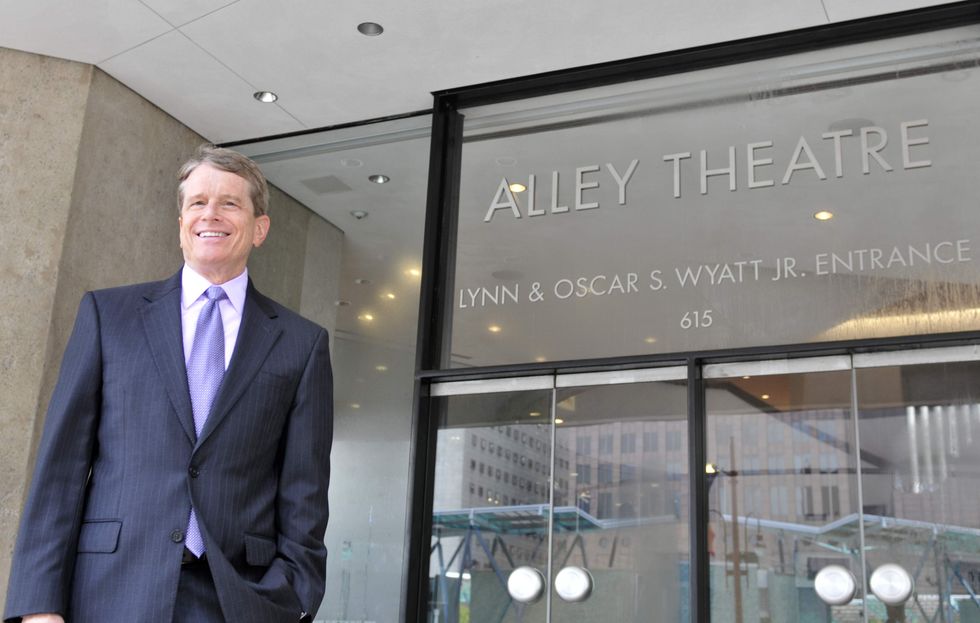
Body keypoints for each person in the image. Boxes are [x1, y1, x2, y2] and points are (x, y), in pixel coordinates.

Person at [3, 145, 333, 623]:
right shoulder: (108, 316)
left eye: (229, 203)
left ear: (259, 228)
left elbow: (305, 494)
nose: (210, 214)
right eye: (197, 202)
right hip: (109, 594)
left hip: (236, 601)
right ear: (181, 224)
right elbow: (60, 469)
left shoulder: (302, 344)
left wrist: (294, 600)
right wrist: (38, 607)